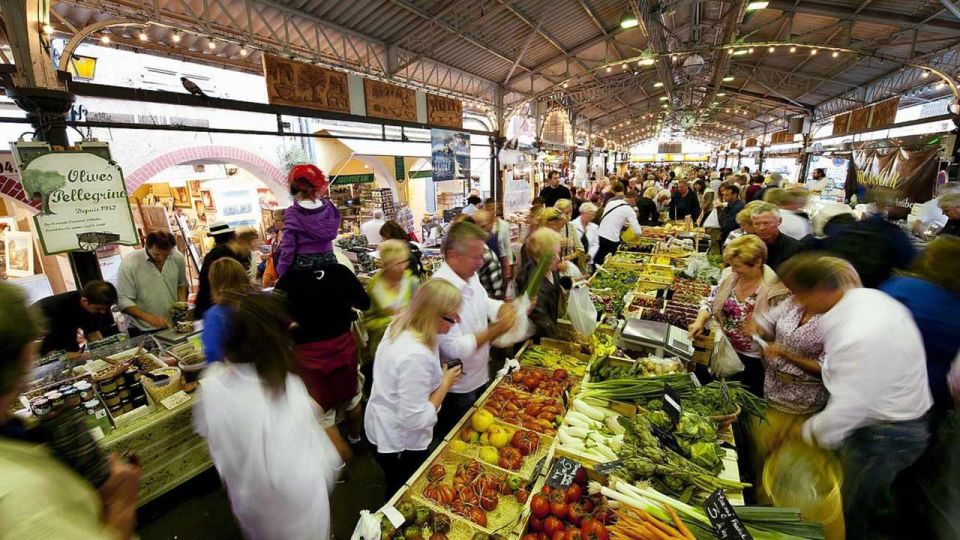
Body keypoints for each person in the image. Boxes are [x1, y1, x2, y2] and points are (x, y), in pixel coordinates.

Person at [778, 254, 932, 539]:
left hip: (885, 432)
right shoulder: (869, 301)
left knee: (850, 510)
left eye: (800, 295)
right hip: (894, 420)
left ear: (824, 288)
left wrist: (808, 431)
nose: (798, 303)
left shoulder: (858, 331)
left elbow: (853, 405)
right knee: (870, 499)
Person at [194, 292, 347, 540]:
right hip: (296, 519)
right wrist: (330, 455)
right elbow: (298, 476)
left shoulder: (211, 381)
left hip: (248, 506)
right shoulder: (283, 391)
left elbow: (209, 434)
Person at [0, 283, 141, 539]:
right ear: (24, 353)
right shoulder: (21, 496)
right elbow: (55, 352)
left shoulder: (14, 431)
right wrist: (121, 504)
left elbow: (93, 337)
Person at [364, 279, 464, 496]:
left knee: (395, 478)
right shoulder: (415, 356)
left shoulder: (402, 324)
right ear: (434, 315)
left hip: (380, 420)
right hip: (399, 441)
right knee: (401, 489)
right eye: (452, 318)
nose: (456, 322)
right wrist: (445, 383)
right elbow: (416, 419)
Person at [274, 251, 370, 449]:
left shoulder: (288, 279)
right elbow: (364, 303)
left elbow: (275, 316)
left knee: (322, 413)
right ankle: (355, 439)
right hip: (343, 345)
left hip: (309, 353)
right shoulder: (340, 271)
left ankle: (339, 464)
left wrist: (294, 324)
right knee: (352, 398)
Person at [432, 222, 517, 438]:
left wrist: (502, 308)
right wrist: (496, 330)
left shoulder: (469, 275)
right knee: (457, 437)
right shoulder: (441, 291)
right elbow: (453, 349)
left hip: (480, 373)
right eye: (475, 257)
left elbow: (483, 301)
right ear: (452, 255)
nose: (481, 263)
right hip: (459, 387)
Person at [688, 235, 790, 396]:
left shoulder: (776, 291)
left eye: (737, 266)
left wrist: (761, 330)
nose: (733, 270)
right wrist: (699, 322)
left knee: (743, 400)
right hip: (722, 349)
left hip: (753, 359)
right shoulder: (732, 278)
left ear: (757, 262)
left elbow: (786, 331)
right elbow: (711, 301)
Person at [117, 230, 188, 336]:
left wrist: (181, 307)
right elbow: (123, 301)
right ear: (147, 246)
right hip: (142, 329)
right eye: (157, 254)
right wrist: (150, 319)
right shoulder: (130, 264)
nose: (161, 258)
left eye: (166, 255)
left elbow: (181, 285)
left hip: (172, 324)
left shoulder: (177, 257)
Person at [362, 240, 419, 365]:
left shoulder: (412, 282)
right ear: (385, 264)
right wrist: (391, 321)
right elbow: (367, 321)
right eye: (396, 264)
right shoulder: (374, 287)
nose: (402, 267)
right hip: (384, 347)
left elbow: (422, 314)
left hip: (409, 345)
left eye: (404, 262)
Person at [277, 164, 340, 276]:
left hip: (304, 262)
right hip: (329, 258)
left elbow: (288, 245)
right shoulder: (329, 207)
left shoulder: (293, 213)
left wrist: (282, 270)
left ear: (295, 191)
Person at [34, 280, 118, 357]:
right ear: (84, 301)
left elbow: (93, 334)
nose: (103, 312)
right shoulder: (56, 311)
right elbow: (51, 353)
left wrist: (103, 351)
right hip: (40, 344)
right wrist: (88, 356)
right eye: (98, 309)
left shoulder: (93, 306)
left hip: (64, 340)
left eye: (106, 309)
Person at [201, 258, 256, 364]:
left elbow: (213, 353)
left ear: (214, 285)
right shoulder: (257, 303)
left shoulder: (215, 315)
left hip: (234, 373)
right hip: (267, 369)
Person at [516, 228, 564, 341]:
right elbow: (542, 322)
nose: (558, 258)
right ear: (538, 258)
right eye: (553, 255)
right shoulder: (535, 286)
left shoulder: (549, 269)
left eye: (558, 253)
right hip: (537, 340)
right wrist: (557, 339)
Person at [194, 221, 246, 319]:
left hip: (206, 304)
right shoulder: (227, 253)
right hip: (217, 307)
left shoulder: (212, 254)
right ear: (230, 236)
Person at [595, 182, 642, 265]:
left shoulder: (611, 202)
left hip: (599, 234)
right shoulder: (629, 209)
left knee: (599, 259)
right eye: (636, 201)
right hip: (612, 239)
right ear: (633, 199)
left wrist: (621, 224)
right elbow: (638, 232)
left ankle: (594, 274)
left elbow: (609, 219)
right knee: (610, 263)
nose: (635, 203)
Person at [751, 203, 804, 272]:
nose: (761, 228)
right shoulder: (743, 244)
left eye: (766, 223)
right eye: (756, 224)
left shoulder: (795, 248)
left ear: (779, 221)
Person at [483, 199, 514, 283]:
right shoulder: (481, 225)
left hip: (499, 263)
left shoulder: (503, 225)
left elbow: (507, 247)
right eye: (488, 209)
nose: (491, 211)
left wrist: (510, 266)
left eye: (493, 209)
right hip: (484, 264)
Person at [551, 201, 587, 270]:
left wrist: (570, 257)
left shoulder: (571, 227)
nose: (566, 216)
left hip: (567, 268)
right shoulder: (549, 227)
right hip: (552, 268)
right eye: (563, 213)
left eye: (568, 213)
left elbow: (580, 248)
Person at [261, 209, 285, 288]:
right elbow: (276, 250)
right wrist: (270, 255)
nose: (274, 223)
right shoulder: (278, 232)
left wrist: (282, 276)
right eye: (274, 220)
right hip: (276, 270)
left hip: (285, 272)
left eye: (277, 220)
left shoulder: (289, 235)